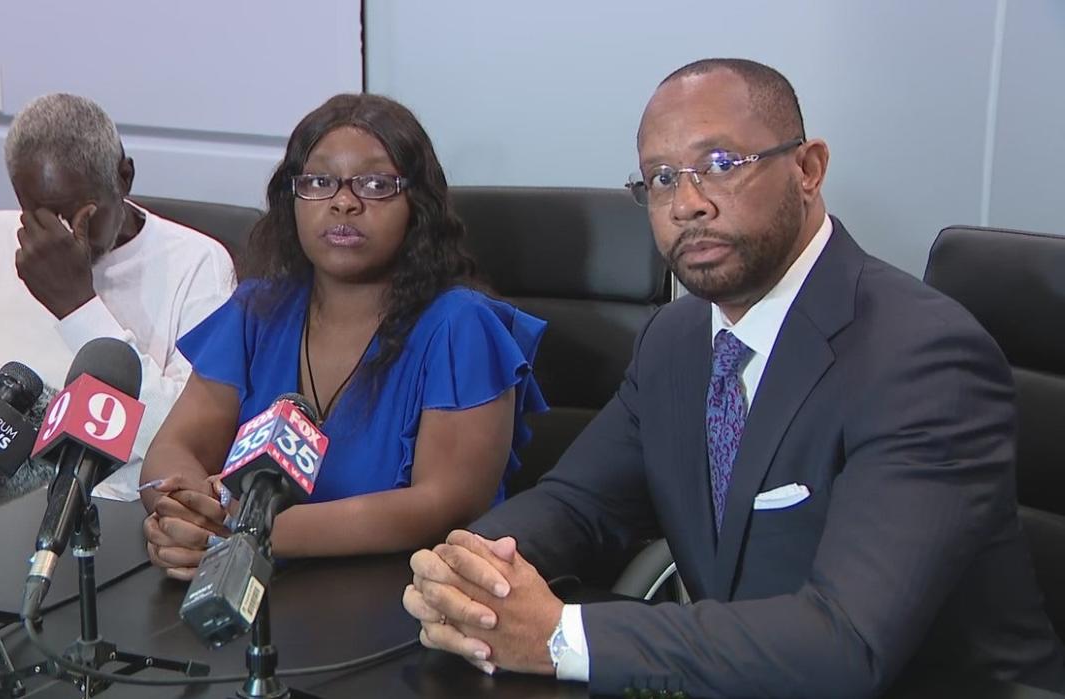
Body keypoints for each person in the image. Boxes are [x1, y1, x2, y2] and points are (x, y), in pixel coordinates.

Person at [402, 59, 1065, 697]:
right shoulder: (676, 340)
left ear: (808, 168)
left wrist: (559, 636)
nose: (686, 203)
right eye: (660, 178)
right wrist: (468, 570)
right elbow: (578, 504)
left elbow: (848, 641)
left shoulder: (923, 356)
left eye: (720, 165)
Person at [139, 94, 547, 578]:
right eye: (319, 181)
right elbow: (171, 451)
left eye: (375, 184)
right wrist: (184, 512)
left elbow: (445, 505)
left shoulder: (460, 327)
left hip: (404, 599)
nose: (344, 201)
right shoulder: (256, 311)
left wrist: (249, 532)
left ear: (417, 205)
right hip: (248, 585)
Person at [0, 93, 234, 500]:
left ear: (123, 178)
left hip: (91, 523)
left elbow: (188, 444)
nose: (61, 238)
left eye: (81, 215)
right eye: (39, 214)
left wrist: (78, 308)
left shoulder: (197, 264)